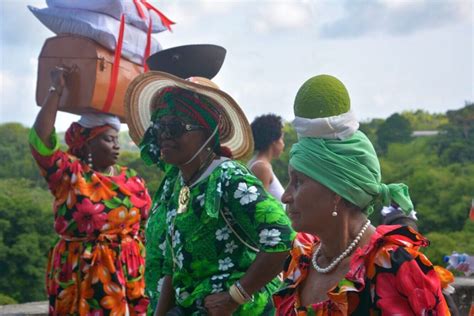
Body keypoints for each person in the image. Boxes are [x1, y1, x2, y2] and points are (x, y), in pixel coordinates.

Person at [272, 74, 451, 314]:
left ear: (337, 190)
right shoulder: (301, 262)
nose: (285, 196)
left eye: (298, 182)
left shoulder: (395, 267)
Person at [125, 73, 295, 315]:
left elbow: (283, 238)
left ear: (206, 131)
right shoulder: (178, 183)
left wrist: (235, 295)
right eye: (159, 128)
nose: (164, 136)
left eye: (174, 127)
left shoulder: (228, 177)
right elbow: (174, 265)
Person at [30, 67, 151, 315]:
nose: (116, 146)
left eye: (117, 139)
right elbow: (40, 141)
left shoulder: (132, 179)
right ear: (87, 142)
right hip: (83, 276)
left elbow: (147, 226)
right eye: (108, 139)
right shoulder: (71, 175)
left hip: (130, 277)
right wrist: (57, 89)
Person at [248, 114, 285, 201]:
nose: (283, 144)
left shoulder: (260, 164)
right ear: (274, 141)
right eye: (282, 139)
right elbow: (262, 206)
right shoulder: (261, 168)